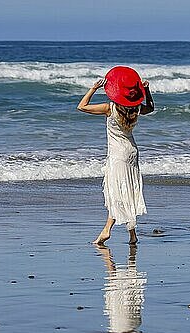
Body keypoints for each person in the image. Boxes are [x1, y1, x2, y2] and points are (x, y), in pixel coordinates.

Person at [77, 66, 154, 244]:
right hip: (132, 153)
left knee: (117, 193)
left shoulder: (109, 108)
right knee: (129, 191)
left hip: (118, 155)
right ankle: (132, 235)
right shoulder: (135, 108)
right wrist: (147, 90)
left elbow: (82, 106)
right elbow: (150, 107)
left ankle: (106, 230)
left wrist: (94, 88)